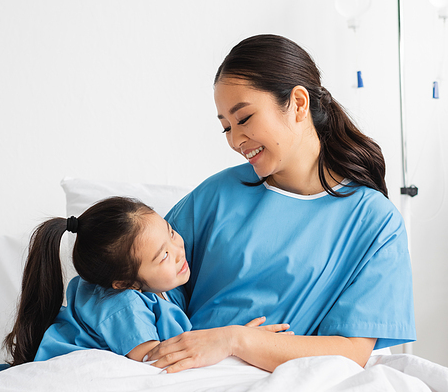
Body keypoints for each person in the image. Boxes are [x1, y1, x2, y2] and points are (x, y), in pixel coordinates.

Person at [143, 34, 416, 374]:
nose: (235, 140)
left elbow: (351, 351)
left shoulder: (374, 223)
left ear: (299, 103)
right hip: (182, 373)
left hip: (283, 384)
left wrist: (234, 340)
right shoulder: (216, 195)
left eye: (243, 119)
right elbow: (139, 279)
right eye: (225, 127)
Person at [0, 196, 288, 378]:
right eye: (163, 255)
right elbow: (154, 360)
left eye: (171, 233)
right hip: (65, 375)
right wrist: (234, 345)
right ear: (122, 282)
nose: (179, 251)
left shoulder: (151, 289)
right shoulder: (123, 304)